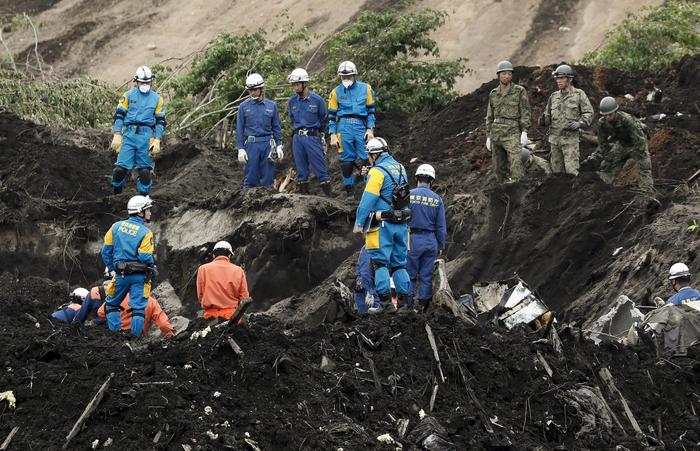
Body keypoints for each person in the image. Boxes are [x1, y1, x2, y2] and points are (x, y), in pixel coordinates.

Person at [353, 137, 412, 311]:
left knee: (380, 264)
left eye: (370, 155)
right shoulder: (400, 167)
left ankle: (386, 305)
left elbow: (368, 199)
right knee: (399, 265)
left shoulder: (377, 172)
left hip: (382, 225)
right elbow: (392, 191)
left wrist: (359, 222)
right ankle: (403, 304)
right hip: (401, 225)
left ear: (375, 154)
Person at [101, 195, 157, 336]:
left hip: (120, 275)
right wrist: (152, 266)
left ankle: (116, 336)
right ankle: (135, 338)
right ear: (140, 211)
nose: (150, 212)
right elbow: (145, 257)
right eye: (148, 210)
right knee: (138, 308)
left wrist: (113, 269)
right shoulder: (146, 233)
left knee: (111, 304)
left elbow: (105, 251)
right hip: (139, 277)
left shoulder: (116, 227)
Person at [111, 66, 166, 195]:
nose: (145, 85)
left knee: (145, 172)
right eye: (142, 82)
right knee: (119, 170)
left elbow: (160, 121)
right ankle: (116, 195)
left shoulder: (157, 99)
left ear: (151, 81)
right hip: (129, 134)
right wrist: (117, 134)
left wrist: (157, 139)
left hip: (146, 137)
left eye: (147, 82)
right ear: (136, 81)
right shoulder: (128, 96)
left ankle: (143, 198)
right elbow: (119, 115)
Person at [328, 61, 377, 197]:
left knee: (367, 158)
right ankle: (349, 192)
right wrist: (332, 134)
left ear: (354, 75)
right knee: (346, 162)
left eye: (349, 76)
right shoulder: (335, 92)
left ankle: (370, 190)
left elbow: (371, 111)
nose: (346, 79)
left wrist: (370, 129)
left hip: (361, 125)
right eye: (343, 77)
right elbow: (331, 116)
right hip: (343, 127)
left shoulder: (366, 89)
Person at [586, 96, 653, 192]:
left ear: (615, 111)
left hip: (636, 142)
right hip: (622, 144)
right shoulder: (602, 124)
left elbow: (639, 139)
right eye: (605, 115)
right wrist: (607, 158)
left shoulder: (627, 120)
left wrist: (641, 154)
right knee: (607, 166)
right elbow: (603, 143)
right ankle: (600, 190)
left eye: (610, 114)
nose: (608, 117)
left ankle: (646, 193)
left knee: (644, 167)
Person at [539, 64, 593, 175]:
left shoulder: (579, 95)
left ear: (570, 79)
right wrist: (543, 120)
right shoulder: (554, 97)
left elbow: (589, 113)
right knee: (556, 174)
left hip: (570, 141)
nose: (558, 81)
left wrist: (580, 123)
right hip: (555, 141)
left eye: (562, 78)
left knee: (571, 173)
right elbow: (547, 116)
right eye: (557, 78)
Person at [407, 164, 447, 312]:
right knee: (426, 276)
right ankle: (423, 307)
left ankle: (408, 306)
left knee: (410, 275)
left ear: (417, 178)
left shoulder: (408, 195)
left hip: (412, 240)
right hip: (430, 241)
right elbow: (441, 226)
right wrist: (441, 245)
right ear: (432, 181)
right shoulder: (437, 199)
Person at [287, 68, 331, 196]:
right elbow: (292, 119)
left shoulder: (317, 101)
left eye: (297, 84)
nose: (295, 87)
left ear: (304, 84)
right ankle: (304, 199)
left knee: (320, 168)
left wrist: (320, 135)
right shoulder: (292, 101)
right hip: (297, 138)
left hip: (312, 137)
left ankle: (329, 197)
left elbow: (324, 120)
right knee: (301, 170)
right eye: (293, 85)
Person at [485, 60, 530, 182]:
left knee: (516, 166)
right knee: (498, 169)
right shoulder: (493, 93)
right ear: (498, 75)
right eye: (504, 73)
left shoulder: (519, 91)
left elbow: (525, 112)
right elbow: (489, 116)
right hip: (496, 134)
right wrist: (488, 136)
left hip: (512, 132)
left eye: (509, 74)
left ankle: (519, 192)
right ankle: (503, 193)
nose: (507, 76)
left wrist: (524, 132)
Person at [236, 73, 284, 188]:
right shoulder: (243, 107)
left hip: (267, 145)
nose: (252, 92)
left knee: (267, 178)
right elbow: (239, 128)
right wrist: (240, 148)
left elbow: (276, 127)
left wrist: (279, 145)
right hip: (251, 145)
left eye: (254, 89)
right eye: (250, 90)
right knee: (250, 178)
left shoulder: (271, 106)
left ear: (261, 89)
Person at [196, 241, 249, 319]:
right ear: (229, 255)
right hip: (232, 316)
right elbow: (244, 297)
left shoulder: (203, 269)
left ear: (214, 255)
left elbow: (200, 295)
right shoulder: (238, 270)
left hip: (210, 317)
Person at [97, 295, 174, 338]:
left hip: (116, 337)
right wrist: (169, 334)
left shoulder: (116, 298)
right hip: (138, 337)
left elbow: (100, 313)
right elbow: (163, 324)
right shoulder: (151, 302)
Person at [354, 246, 380, 313]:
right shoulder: (370, 246)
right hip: (369, 288)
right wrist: (370, 292)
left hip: (366, 285)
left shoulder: (368, 247)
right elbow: (365, 270)